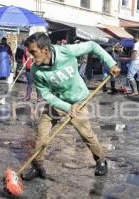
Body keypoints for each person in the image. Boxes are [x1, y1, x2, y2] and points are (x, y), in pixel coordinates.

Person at [21, 33, 120, 181]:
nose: (31, 57)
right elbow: (46, 95)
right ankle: (37, 166)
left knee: (86, 135)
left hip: (79, 100)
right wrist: (67, 108)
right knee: (42, 133)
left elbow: (92, 46)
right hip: (58, 102)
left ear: (46, 50)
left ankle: (101, 160)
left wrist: (111, 63)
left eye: (34, 52)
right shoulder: (37, 70)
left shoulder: (66, 51)